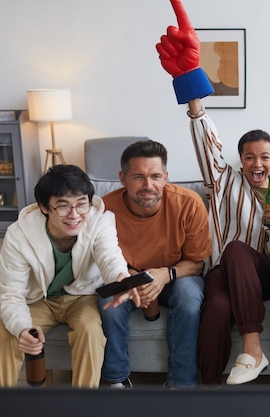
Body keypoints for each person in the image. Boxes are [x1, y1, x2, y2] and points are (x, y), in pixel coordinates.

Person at [156, 0, 270, 385]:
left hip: (262, 276)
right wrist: (191, 87)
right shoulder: (224, 178)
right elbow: (203, 131)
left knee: (236, 249)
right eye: (248, 157)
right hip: (220, 273)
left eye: (263, 157)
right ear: (239, 160)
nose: (256, 164)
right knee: (215, 306)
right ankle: (208, 389)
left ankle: (253, 347)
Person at [0, 164, 130, 388]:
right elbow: (11, 294)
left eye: (82, 204)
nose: (74, 215)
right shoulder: (18, 234)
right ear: (44, 207)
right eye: (63, 207)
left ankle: (82, 404)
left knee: (90, 331)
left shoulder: (101, 220)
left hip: (82, 298)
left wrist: (120, 278)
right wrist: (23, 329)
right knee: (6, 333)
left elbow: (110, 256)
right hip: (38, 301)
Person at [98, 140, 211, 389]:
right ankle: (116, 381)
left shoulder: (189, 204)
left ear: (166, 177)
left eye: (155, 176)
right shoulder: (105, 208)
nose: (148, 186)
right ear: (123, 178)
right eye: (138, 177)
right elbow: (96, 258)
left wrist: (166, 274)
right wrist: (127, 276)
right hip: (124, 277)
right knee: (109, 304)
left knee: (189, 298)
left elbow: (196, 263)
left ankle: (181, 384)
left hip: (176, 277)